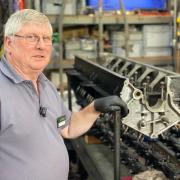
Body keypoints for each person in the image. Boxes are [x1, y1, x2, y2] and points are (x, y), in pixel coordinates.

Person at [0, 9, 128, 180]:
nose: (41, 45)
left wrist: (95, 108)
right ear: (9, 43)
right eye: (31, 37)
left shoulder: (45, 85)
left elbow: (65, 127)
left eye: (47, 39)